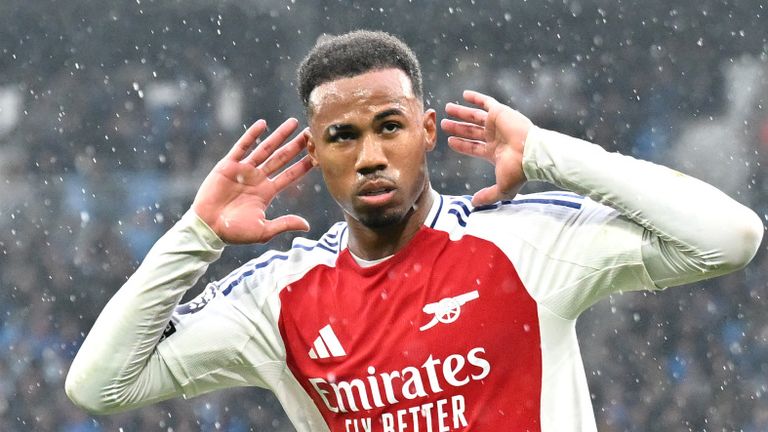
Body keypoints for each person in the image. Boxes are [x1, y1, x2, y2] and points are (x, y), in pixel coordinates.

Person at [65, 30, 763, 432]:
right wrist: (199, 233)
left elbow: (729, 237)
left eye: (389, 126)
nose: (369, 154)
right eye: (342, 136)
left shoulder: (521, 243)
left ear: (427, 131)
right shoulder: (278, 300)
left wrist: (552, 153)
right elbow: (99, 388)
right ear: (314, 153)